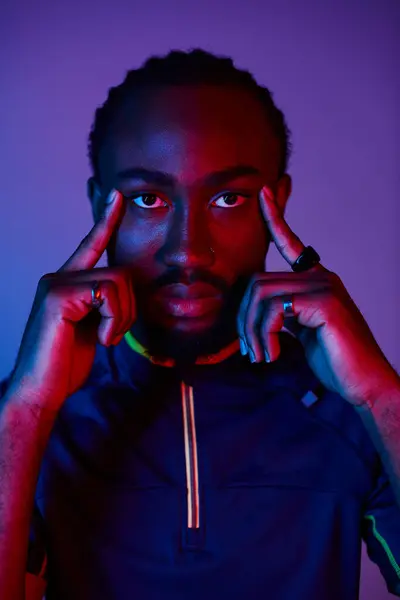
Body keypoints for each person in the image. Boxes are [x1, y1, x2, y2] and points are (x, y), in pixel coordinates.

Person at [0, 48, 399, 600]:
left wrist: (383, 397)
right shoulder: (28, 416)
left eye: (229, 199)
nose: (188, 252)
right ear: (99, 207)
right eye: (147, 199)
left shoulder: (353, 408)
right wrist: (25, 411)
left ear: (277, 202)